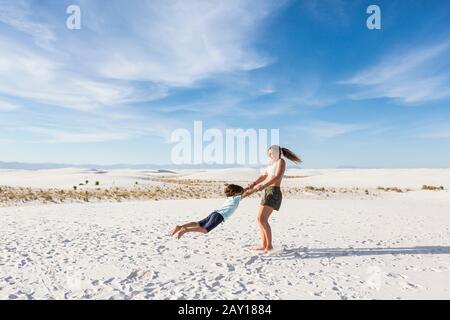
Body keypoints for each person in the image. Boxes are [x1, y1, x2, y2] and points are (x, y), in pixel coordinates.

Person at [247, 145, 302, 252]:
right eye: (269, 153)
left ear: (277, 152)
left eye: (271, 153)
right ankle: (264, 244)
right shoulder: (270, 163)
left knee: (263, 219)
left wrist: (263, 186)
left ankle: (269, 246)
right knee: (259, 219)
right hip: (267, 191)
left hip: (274, 192)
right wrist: (253, 183)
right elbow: (264, 176)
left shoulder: (281, 161)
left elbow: (277, 177)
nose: (270, 155)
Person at [170, 184, 256, 239]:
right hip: (219, 216)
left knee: (198, 224)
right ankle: (185, 229)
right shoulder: (237, 198)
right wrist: (256, 189)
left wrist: (249, 187)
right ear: (236, 193)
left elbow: (243, 191)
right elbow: (246, 193)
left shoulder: (231, 197)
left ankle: (179, 227)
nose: (241, 193)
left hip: (214, 213)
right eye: (240, 192)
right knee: (205, 230)